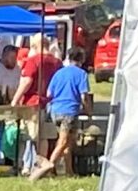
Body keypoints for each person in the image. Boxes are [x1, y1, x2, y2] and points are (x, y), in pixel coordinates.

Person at [29, 46, 93, 177]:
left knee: (67, 143)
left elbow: (49, 92)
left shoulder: (58, 73)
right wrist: (89, 111)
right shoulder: (81, 74)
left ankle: (69, 172)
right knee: (63, 142)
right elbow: (83, 96)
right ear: (82, 59)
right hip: (69, 111)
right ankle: (47, 167)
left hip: (55, 111)